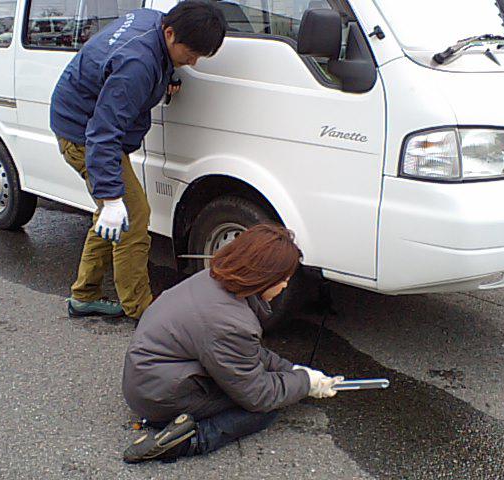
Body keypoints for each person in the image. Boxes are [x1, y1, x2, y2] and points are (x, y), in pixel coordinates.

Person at [50, 1, 227, 320]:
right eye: (191, 54)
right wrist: (111, 196)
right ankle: (142, 310)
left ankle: (85, 295)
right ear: (170, 33)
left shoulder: (155, 23)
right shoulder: (137, 65)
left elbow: (151, 62)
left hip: (87, 125)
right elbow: (102, 133)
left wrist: (167, 75)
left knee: (113, 217)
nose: (193, 63)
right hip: (84, 136)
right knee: (132, 215)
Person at [121, 224, 344, 463]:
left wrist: (291, 370)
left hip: (148, 378)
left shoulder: (213, 280)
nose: (285, 286)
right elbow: (258, 395)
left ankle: (176, 421)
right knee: (264, 409)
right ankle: (189, 441)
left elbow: (247, 353)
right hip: (160, 398)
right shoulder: (230, 322)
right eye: (284, 279)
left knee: (271, 385)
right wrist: (305, 383)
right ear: (264, 277)